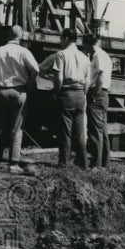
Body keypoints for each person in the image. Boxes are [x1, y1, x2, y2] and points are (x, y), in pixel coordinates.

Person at [39, 28, 90, 169]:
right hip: (80, 94)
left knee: (65, 131)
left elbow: (59, 77)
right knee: (79, 131)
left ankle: (63, 163)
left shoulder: (61, 54)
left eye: (61, 38)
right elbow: (88, 80)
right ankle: (82, 162)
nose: (60, 41)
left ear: (67, 38)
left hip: (66, 94)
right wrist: (83, 94)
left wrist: (56, 93)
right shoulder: (85, 57)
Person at [0, 25, 39, 173]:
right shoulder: (24, 51)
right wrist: (29, 85)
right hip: (19, 91)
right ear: (21, 36)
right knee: (16, 129)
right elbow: (36, 69)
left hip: (1, 91)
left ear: (8, 35)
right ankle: (13, 164)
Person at [83, 33, 111, 168]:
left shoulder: (98, 55)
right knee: (102, 131)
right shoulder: (101, 55)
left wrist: (94, 94)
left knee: (95, 132)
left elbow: (100, 77)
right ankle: (104, 163)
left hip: (98, 94)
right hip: (103, 94)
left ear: (88, 43)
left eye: (84, 44)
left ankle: (96, 164)